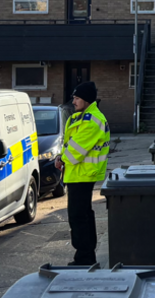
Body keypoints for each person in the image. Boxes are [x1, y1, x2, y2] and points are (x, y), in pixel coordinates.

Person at [55, 81, 110, 265]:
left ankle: (84, 258)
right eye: (74, 97)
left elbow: (75, 150)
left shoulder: (92, 120)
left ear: (86, 99)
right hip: (77, 174)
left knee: (78, 217)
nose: (74, 100)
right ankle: (86, 256)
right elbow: (69, 145)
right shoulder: (79, 117)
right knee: (83, 215)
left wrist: (62, 159)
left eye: (77, 97)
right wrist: (60, 157)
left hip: (83, 174)